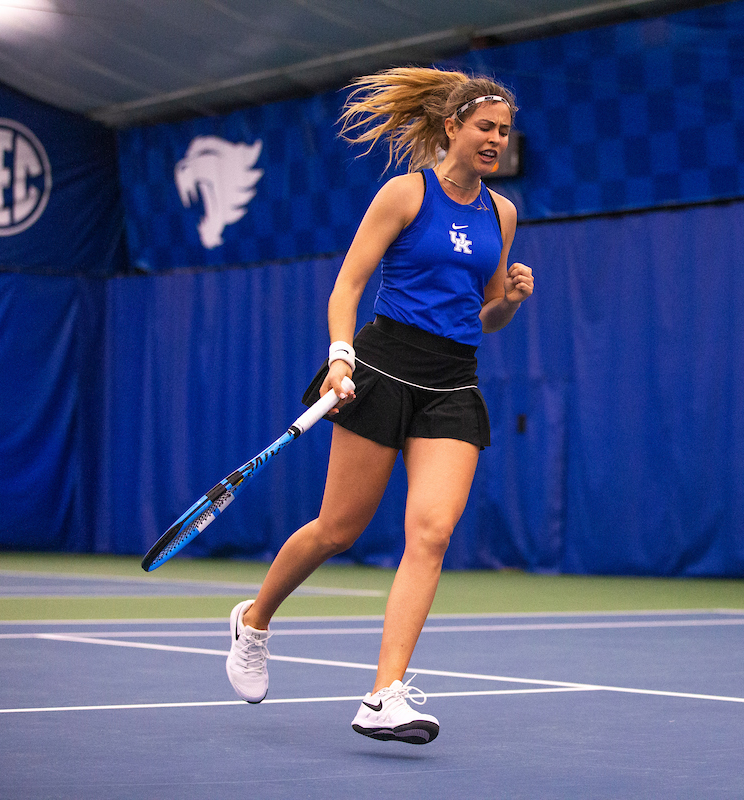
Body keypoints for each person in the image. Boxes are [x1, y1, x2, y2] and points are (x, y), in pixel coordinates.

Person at [223, 67, 533, 746]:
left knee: (431, 533)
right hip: (383, 366)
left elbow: (483, 316)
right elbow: (348, 285)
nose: (496, 140)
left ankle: (382, 695)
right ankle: (255, 621)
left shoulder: (501, 213)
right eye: (485, 127)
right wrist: (340, 355)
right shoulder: (404, 194)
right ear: (452, 127)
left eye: (505, 132)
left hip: (453, 381)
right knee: (338, 530)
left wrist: (507, 300)